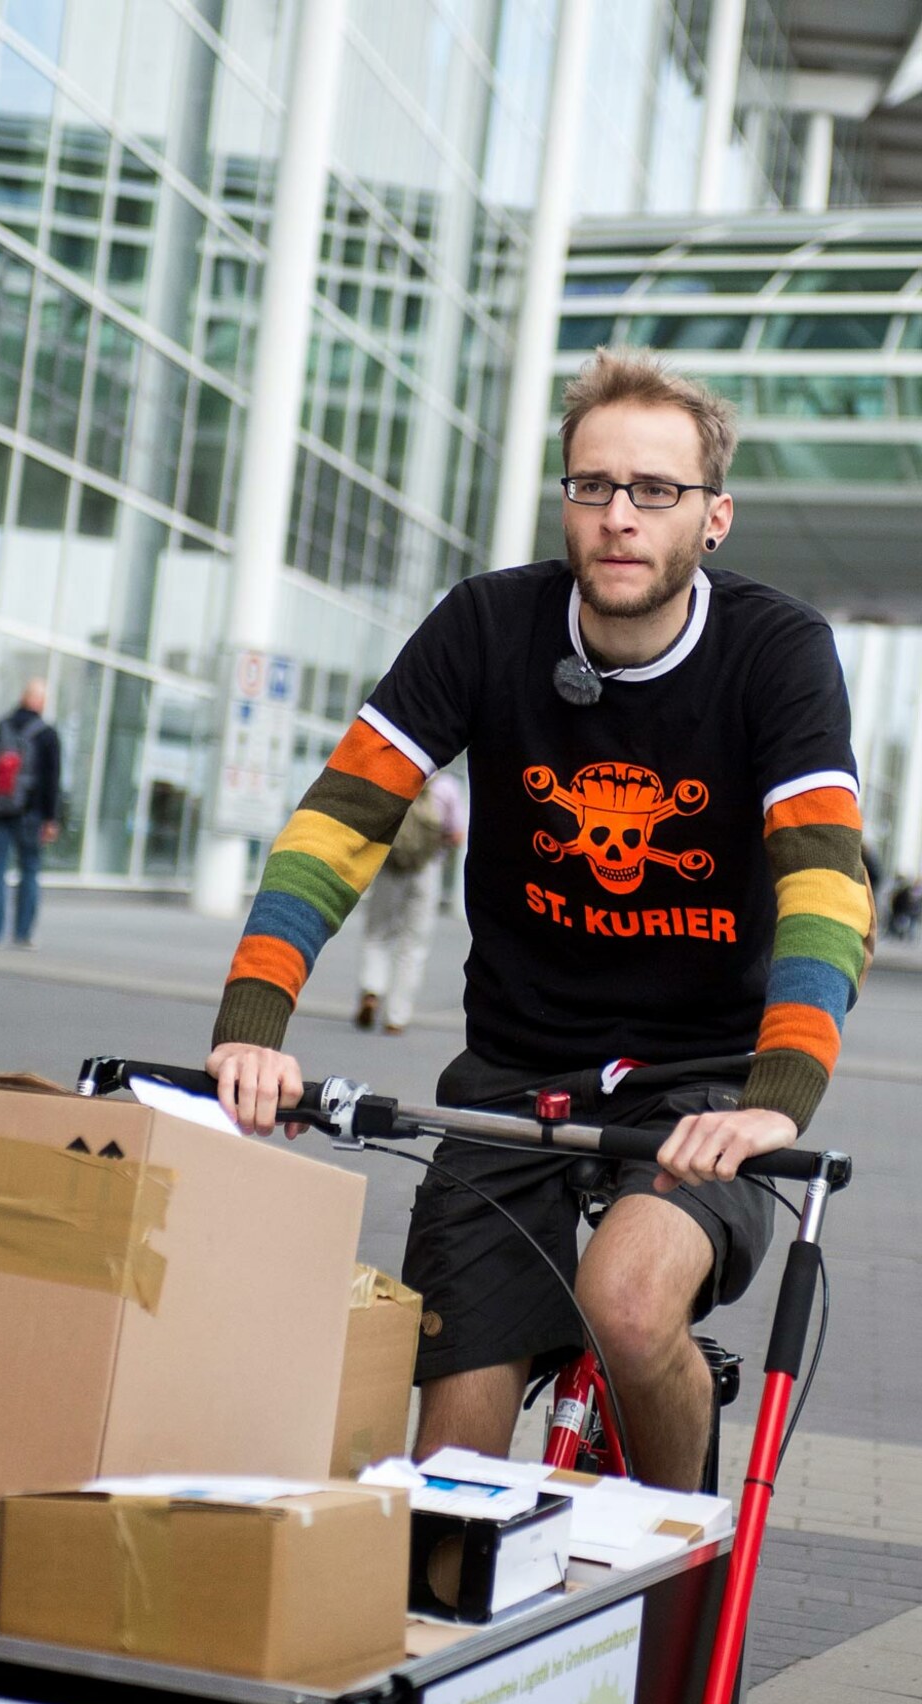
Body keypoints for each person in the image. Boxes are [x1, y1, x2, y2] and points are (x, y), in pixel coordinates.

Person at [205, 348, 873, 1492]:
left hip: (703, 1084)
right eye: (592, 486)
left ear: (711, 517)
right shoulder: (484, 625)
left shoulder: (774, 650)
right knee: (450, 1471)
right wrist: (252, 1020)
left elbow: (821, 876)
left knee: (624, 1300)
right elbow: (341, 819)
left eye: (653, 492)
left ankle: (675, 1574)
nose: (618, 517)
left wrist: (779, 1095)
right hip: (515, 1077)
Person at [354, 770, 467, 1034]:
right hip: (427, 869)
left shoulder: (395, 774)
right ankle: (397, 1016)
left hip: (389, 865)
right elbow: (457, 834)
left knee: (378, 933)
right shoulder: (447, 786)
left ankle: (372, 990)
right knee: (413, 944)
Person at [0, 679, 61, 947]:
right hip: (31, 814)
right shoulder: (47, 734)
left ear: (23, 698)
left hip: (0, 810)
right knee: (30, 870)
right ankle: (22, 934)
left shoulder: (2, 727)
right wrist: (50, 818)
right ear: (41, 702)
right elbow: (52, 780)